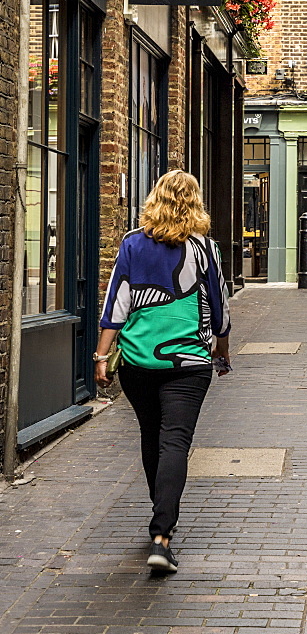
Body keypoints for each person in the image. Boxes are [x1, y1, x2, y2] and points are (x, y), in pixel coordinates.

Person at [93, 170, 231, 575]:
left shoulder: (133, 244)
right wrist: (221, 352)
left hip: (138, 361)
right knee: (175, 441)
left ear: (154, 200)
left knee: (151, 435)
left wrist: (102, 357)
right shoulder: (205, 248)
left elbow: (115, 304)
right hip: (189, 363)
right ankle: (162, 535)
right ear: (196, 203)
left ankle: (161, 513)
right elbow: (220, 306)